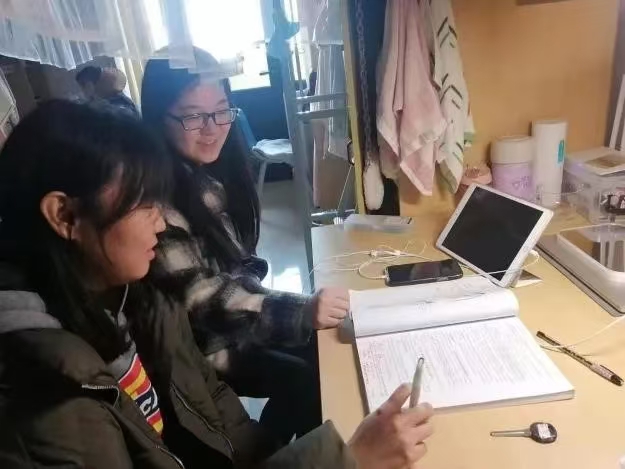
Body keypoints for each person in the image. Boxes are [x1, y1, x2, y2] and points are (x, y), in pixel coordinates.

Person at [0, 99, 435, 469]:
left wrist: (315, 457)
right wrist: (349, 459)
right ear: (64, 215)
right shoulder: (48, 400)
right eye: (141, 204)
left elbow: (223, 418)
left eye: (221, 111)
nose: (159, 223)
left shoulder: (141, 301)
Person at [141, 47, 349, 443]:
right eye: (193, 116)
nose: (212, 127)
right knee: (303, 378)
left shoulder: (208, 176)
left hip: (230, 323)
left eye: (221, 110)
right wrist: (301, 310)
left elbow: (239, 271)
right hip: (204, 344)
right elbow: (201, 299)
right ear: (158, 116)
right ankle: (275, 455)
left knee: (323, 349)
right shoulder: (157, 200)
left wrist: (299, 312)